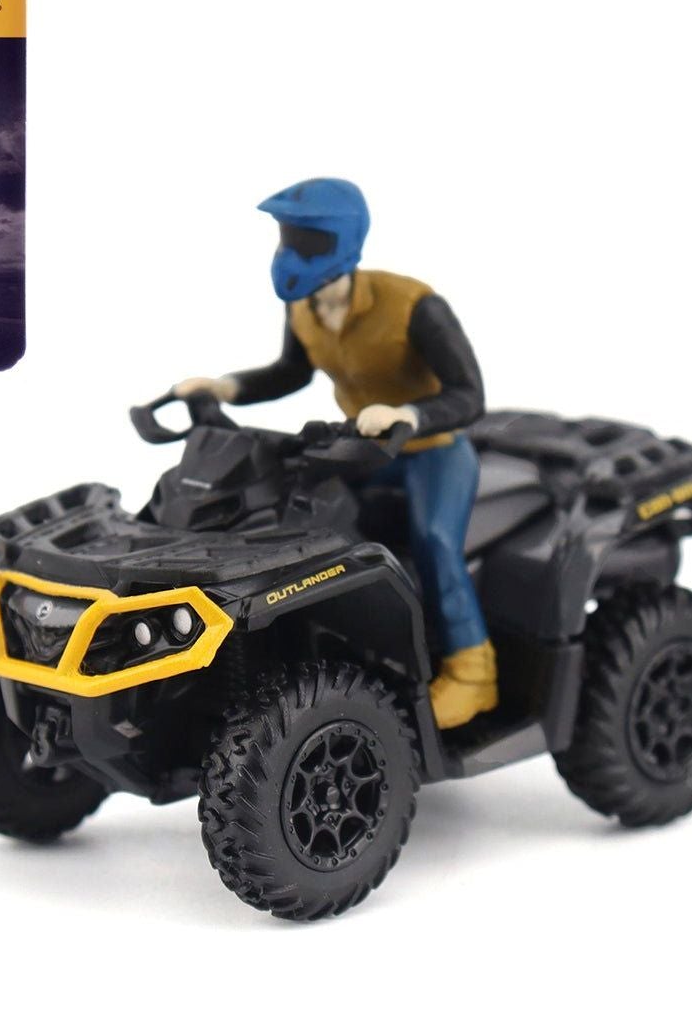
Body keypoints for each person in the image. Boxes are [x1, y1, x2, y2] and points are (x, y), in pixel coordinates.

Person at [175, 177, 497, 729]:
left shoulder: (413, 306)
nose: (290, 253)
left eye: (307, 241)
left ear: (343, 243)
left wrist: (409, 414)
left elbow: (470, 396)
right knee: (309, 526)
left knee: (436, 540)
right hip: (361, 451)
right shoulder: (303, 308)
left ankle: (474, 673)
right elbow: (290, 371)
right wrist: (226, 387)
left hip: (433, 451)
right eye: (287, 237)